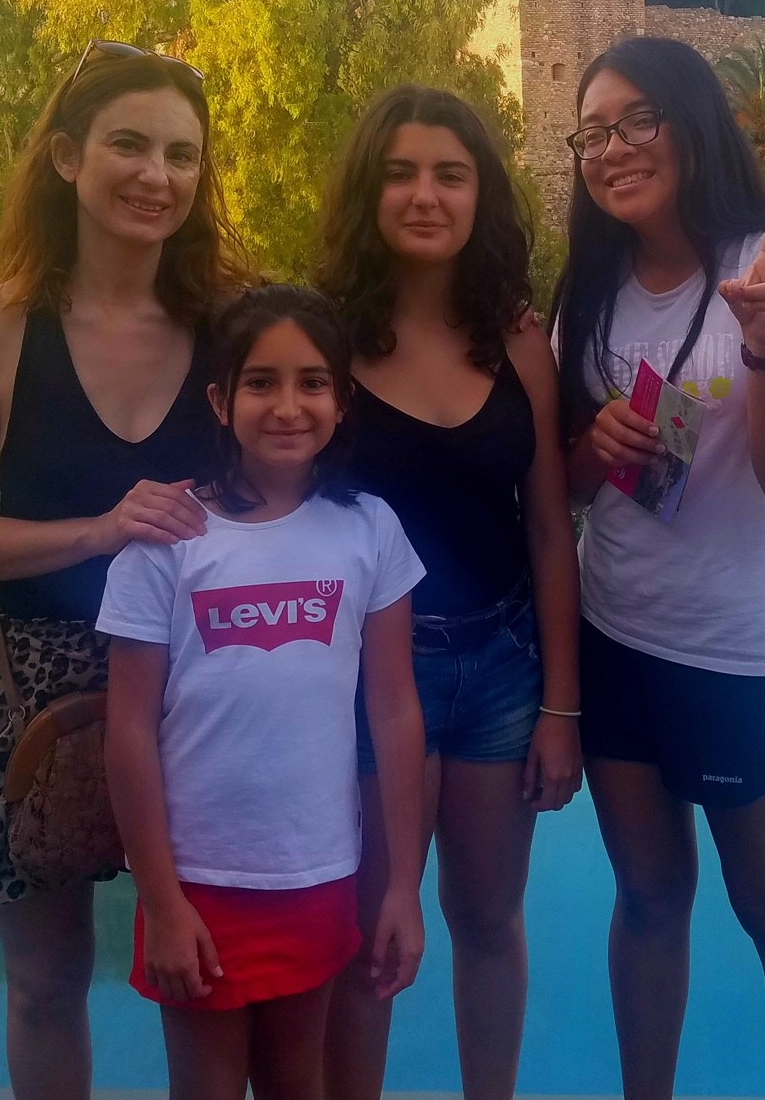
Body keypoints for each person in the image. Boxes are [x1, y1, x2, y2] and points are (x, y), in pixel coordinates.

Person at [0, 41, 254, 1100]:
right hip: (28, 689)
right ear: (67, 157)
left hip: (195, 681)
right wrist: (101, 530)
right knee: (46, 982)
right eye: (129, 145)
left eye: (182, 155)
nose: (157, 175)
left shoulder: (231, 328)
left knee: (214, 968)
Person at [552, 37, 765, 1100]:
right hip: (618, 635)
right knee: (646, 898)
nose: (614, 149)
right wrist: (595, 445)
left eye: (638, 120)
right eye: (593, 133)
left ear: (691, 123)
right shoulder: (592, 292)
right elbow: (570, 486)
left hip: (748, 648)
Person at [316, 86, 583, 1100]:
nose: (424, 195)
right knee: (368, 934)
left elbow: (551, 529)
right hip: (373, 674)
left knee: (488, 919)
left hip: (503, 668)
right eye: (400, 174)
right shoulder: (326, 341)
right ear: (368, 192)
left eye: (450, 175)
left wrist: (561, 706)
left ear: (482, 196)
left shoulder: (516, 342)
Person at [100, 286, 428, 1100]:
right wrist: (161, 901)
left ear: (342, 401)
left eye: (312, 382)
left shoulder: (370, 529)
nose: (288, 406)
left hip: (317, 874)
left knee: (296, 1081)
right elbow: (129, 730)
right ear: (221, 401)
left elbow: (394, 712)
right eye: (261, 382)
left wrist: (401, 886)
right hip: (198, 884)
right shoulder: (169, 541)